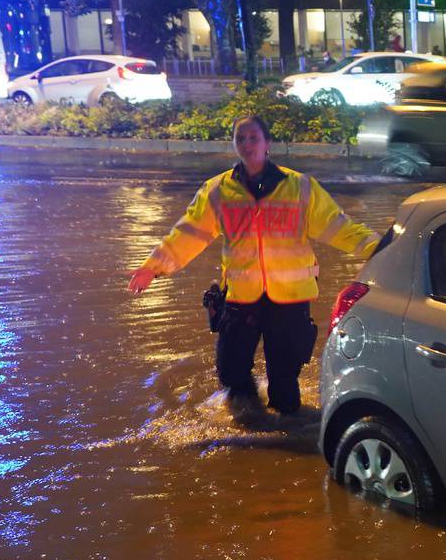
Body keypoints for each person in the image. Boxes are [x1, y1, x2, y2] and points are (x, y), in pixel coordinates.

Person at [127, 115, 381, 425]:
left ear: (267, 144)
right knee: (231, 372)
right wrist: (152, 268)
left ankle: (287, 427)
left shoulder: (300, 187)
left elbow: (339, 228)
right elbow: (188, 233)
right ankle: (248, 428)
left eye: (253, 138)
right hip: (241, 298)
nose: (247, 145)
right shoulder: (218, 190)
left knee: (285, 383)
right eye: (241, 139)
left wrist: (379, 249)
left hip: (289, 300)